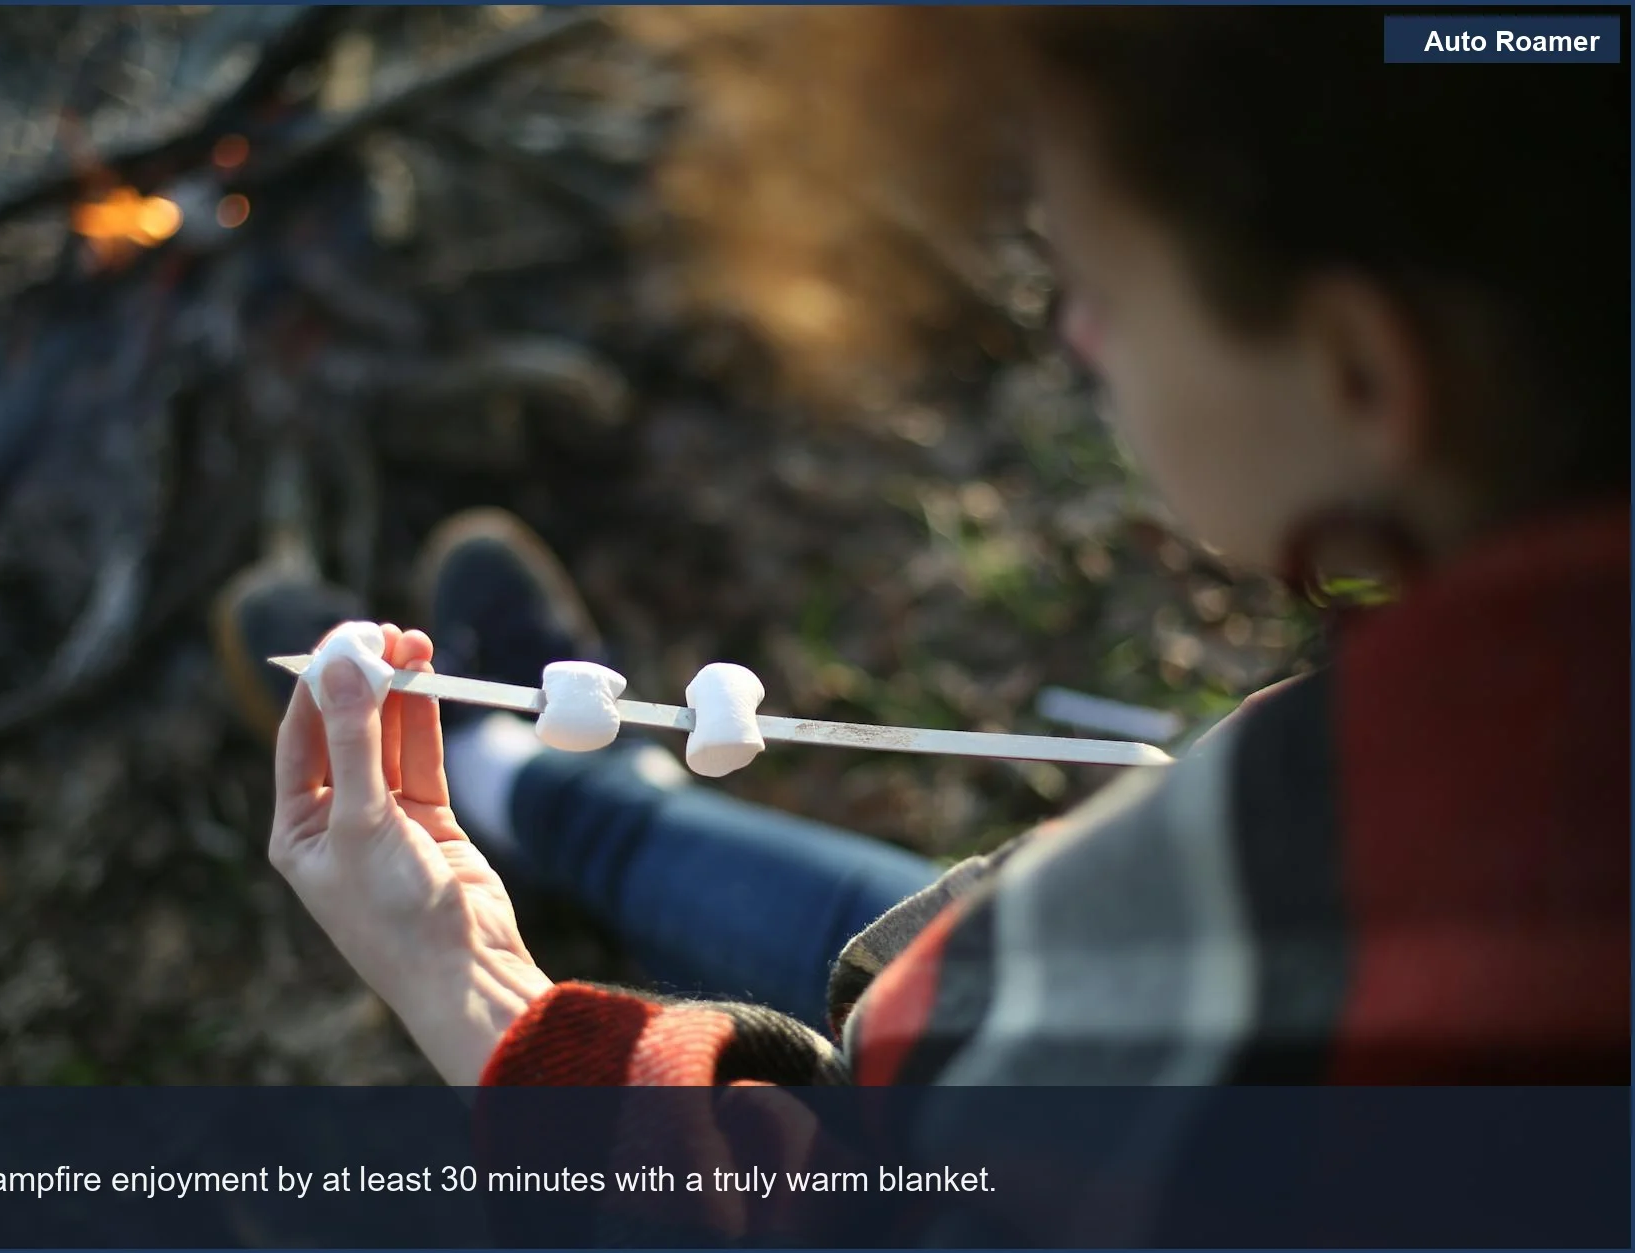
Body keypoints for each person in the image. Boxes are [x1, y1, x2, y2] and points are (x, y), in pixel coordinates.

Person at [257, 9, 1629, 1092]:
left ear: (1358, 376)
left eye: (1093, 286)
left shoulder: (1296, 1066)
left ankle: (548, 798)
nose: (1080, 341)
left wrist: (477, 994)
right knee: (879, 920)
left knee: (826, 919)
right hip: (1023, 957)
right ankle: (570, 792)